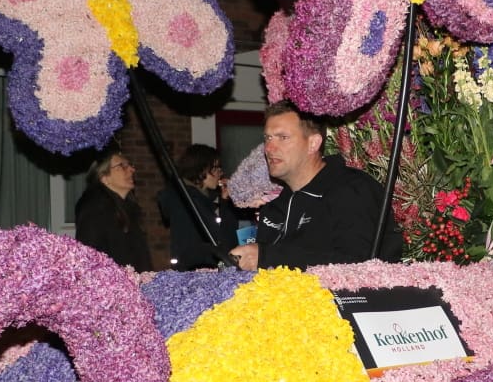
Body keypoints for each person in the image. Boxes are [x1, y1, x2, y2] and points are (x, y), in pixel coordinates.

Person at [231, 101, 403, 270]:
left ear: (313, 143)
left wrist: (268, 258)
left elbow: (359, 266)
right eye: (267, 138)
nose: (269, 148)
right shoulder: (275, 208)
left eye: (283, 138)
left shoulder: (352, 191)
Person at [155, 144, 241, 270]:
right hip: (197, 273)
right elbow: (218, 241)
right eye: (216, 168)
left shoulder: (202, 200)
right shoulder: (188, 202)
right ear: (202, 169)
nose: (220, 172)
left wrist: (225, 201)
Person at [73, 146, 153, 271]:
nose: (132, 169)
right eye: (122, 166)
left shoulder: (127, 209)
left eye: (129, 165)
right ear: (104, 178)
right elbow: (87, 257)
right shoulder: (95, 210)